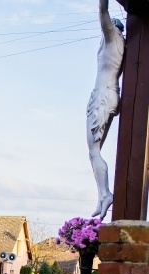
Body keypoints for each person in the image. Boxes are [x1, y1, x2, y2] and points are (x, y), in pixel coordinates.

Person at [87, 0, 125, 219]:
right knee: (95, 151)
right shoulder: (120, 46)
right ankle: (102, 195)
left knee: (93, 151)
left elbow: (103, 10)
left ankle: (104, 194)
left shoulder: (112, 38)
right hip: (111, 94)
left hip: (102, 96)